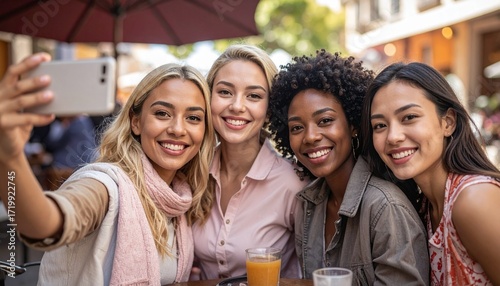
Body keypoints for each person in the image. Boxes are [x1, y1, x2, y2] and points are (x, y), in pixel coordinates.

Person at [0, 53, 215, 285]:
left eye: (193, 117)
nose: (178, 129)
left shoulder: (180, 196)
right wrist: (10, 158)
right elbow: (46, 226)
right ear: (136, 122)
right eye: (162, 113)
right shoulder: (106, 185)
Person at [267, 50, 430, 285]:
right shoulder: (308, 204)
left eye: (325, 121)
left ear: (353, 124)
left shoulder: (385, 208)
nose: (310, 137)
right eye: (296, 128)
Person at [361, 61, 500, 285]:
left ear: (448, 122)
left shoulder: (472, 200)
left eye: (409, 117)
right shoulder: (426, 204)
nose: (393, 136)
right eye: (379, 125)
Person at [191, 44, 309, 280]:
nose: (236, 106)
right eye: (225, 92)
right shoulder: (193, 173)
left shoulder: (293, 183)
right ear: (208, 98)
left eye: (254, 96)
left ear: (268, 110)